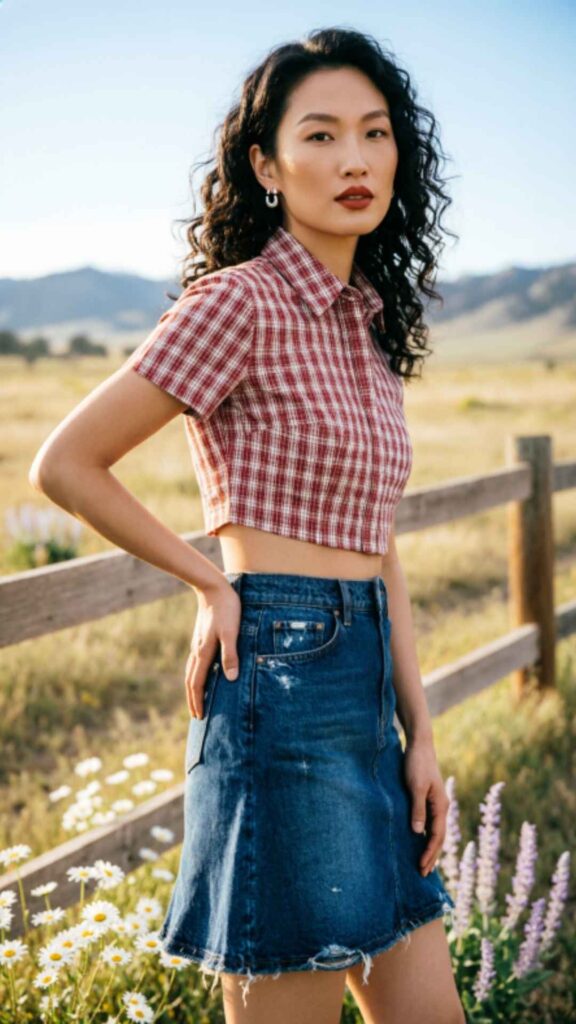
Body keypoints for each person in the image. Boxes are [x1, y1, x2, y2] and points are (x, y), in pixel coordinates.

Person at [29, 26, 466, 1024]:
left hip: (365, 692)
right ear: (266, 164)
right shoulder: (240, 302)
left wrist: (422, 729)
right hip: (278, 679)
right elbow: (66, 463)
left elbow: (377, 540)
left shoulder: (365, 322)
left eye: (375, 132)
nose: (353, 160)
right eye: (319, 136)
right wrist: (209, 579)